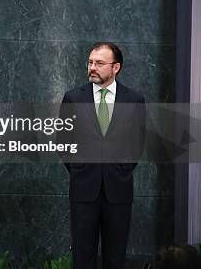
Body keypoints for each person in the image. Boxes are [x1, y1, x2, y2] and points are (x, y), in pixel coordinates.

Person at [59, 42, 145, 269]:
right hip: (83, 190)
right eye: (90, 62)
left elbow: (137, 144)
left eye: (99, 63)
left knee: (115, 256)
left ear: (116, 67)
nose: (92, 67)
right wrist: (81, 168)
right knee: (82, 255)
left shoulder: (134, 100)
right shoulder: (73, 98)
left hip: (119, 190)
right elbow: (63, 143)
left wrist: (120, 169)